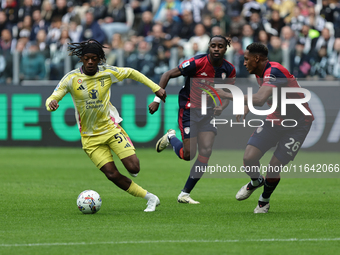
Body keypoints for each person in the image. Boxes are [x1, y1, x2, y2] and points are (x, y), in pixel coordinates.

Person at [45, 39, 166, 212]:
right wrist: (51, 104)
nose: (90, 62)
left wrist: (155, 88)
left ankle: (132, 166)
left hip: (110, 128)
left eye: (94, 58)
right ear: (81, 59)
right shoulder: (71, 79)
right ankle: (150, 198)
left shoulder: (107, 72)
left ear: (99, 59)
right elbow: (52, 97)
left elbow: (131, 72)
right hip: (89, 138)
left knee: (134, 168)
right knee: (111, 174)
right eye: (87, 58)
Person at [215, 42, 314, 213]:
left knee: (273, 167)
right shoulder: (260, 73)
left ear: (257, 58)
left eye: (246, 59)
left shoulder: (274, 71)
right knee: (248, 159)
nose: (244, 63)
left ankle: (264, 201)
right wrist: (248, 106)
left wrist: (228, 95)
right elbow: (267, 97)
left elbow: (260, 99)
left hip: (298, 123)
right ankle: (255, 181)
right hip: (275, 118)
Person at [149, 35, 236, 204]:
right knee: (189, 155)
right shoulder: (197, 63)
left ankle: (185, 194)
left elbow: (228, 93)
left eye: (220, 46)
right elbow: (167, 74)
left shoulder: (229, 69)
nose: (216, 49)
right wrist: (156, 100)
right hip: (189, 110)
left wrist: (222, 107)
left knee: (206, 150)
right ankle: (171, 138)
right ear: (209, 47)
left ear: (226, 49)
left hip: (208, 113)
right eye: (213, 46)